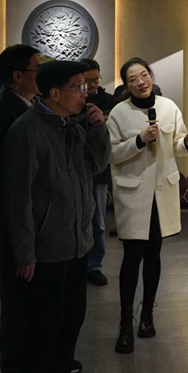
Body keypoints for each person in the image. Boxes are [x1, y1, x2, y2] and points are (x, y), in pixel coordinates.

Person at [5, 60, 109, 373]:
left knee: (71, 318)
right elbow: (17, 197)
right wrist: (25, 252)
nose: (85, 93)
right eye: (78, 87)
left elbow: (97, 166)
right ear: (54, 93)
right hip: (46, 246)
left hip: (77, 242)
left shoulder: (72, 126)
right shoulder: (27, 130)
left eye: (85, 86)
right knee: (44, 324)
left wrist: (98, 129)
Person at [106, 57, 188, 354]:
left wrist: (186, 143)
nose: (141, 82)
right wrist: (139, 140)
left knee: (154, 254)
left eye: (144, 75)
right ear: (126, 85)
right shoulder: (119, 113)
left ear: (151, 76)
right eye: (133, 79)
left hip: (162, 195)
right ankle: (125, 322)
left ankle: (147, 314)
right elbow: (111, 154)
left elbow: (177, 145)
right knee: (132, 256)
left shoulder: (168, 106)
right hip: (133, 194)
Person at [0, 44, 41, 373]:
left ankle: (31, 356)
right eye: (35, 69)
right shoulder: (0, 111)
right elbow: (6, 175)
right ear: (18, 76)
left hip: (29, 214)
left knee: (29, 296)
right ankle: (12, 363)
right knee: (15, 296)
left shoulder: (28, 105)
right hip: (12, 216)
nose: (40, 76)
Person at [77, 59, 116, 286]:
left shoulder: (108, 101)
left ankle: (95, 265)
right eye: (88, 80)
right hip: (75, 169)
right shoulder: (73, 99)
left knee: (98, 222)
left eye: (96, 79)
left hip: (98, 170)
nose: (93, 84)